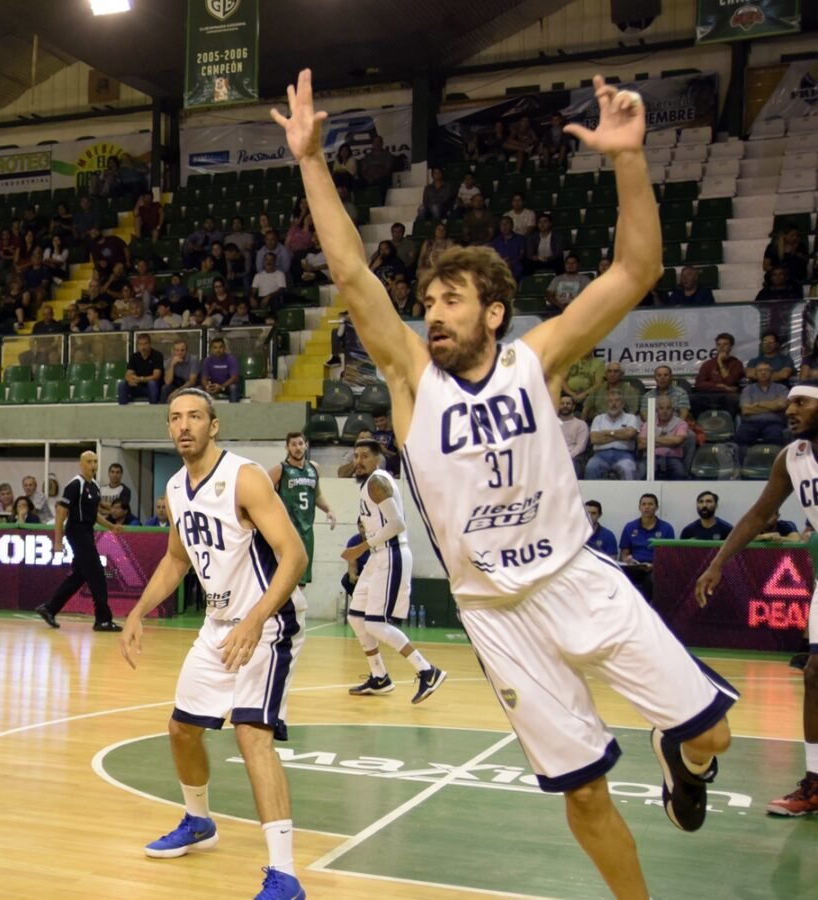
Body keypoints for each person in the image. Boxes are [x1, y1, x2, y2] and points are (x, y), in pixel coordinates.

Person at [278, 70, 735, 897]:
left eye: (452, 301)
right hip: (496, 613)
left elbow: (636, 269)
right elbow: (351, 275)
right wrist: (311, 160)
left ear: (495, 312)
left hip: (577, 578)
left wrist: (629, 159)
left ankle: (681, 753)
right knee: (585, 790)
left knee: (717, 738)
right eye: (427, 301)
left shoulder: (537, 360)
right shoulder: (413, 380)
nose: (433, 313)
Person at [119, 389, 308, 900]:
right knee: (181, 730)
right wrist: (137, 610)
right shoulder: (177, 488)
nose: (185, 426)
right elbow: (176, 560)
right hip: (218, 624)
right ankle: (199, 821)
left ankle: (286, 876)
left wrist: (254, 620)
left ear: (214, 425)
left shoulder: (243, 478)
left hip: (268, 623)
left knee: (251, 735)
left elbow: (295, 556)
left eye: (195, 417)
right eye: (176, 418)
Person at [696, 383, 818, 817]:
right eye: (788, 402)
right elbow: (758, 515)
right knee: (813, 676)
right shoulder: (793, 457)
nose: (790, 409)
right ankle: (816, 783)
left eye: (801, 402)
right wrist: (718, 562)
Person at [342, 439, 446, 701]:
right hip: (378, 556)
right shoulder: (369, 484)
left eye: (364, 456)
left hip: (391, 554)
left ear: (377, 459)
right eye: (355, 456)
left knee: (375, 624)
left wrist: (361, 547)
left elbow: (397, 524)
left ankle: (427, 670)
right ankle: (380, 677)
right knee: (356, 618)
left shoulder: (378, 481)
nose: (358, 461)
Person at [34, 451, 123, 632]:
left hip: (87, 532)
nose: (93, 465)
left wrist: (110, 526)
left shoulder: (94, 486)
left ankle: (49, 608)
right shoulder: (75, 485)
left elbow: (93, 514)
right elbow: (60, 513)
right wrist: (57, 542)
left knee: (79, 575)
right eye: (89, 461)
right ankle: (103, 619)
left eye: (95, 461)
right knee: (97, 574)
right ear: (81, 464)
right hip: (77, 532)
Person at [267, 431, 335, 586]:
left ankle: (296, 610)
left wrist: (329, 509)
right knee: (284, 575)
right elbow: (263, 494)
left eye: (300, 444)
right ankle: (283, 609)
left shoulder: (314, 468)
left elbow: (317, 495)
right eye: (293, 444)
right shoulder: (280, 469)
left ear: (306, 445)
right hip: (287, 529)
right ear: (287, 448)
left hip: (306, 529)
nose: (297, 448)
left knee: (301, 578)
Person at [620, 493, 673, 599]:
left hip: (655, 569)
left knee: (651, 580)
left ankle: (647, 611)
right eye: (643, 504)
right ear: (639, 507)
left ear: (656, 507)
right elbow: (624, 553)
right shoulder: (630, 527)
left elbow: (669, 556)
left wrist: (654, 566)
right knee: (619, 576)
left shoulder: (666, 528)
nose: (647, 507)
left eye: (650, 504)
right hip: (634, 567)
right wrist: (627, 560)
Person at [584, 392, 642, 480]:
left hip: (624, 454)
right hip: (600, 455)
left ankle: (629, 494)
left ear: (622, 403)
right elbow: (594, 439)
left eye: (617, 401)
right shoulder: (598, 419)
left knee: (628, 468)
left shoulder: (631, 418)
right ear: (606, 403)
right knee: (591, 467)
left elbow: (630, 434)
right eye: (610, 401)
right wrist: (621, 434)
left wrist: (607, 433)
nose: (614, 404)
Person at [637, 396, 689, 480]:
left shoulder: (681, 423)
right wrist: (668, 440)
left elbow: (677, 441)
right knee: (640, 472)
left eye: (668, 408)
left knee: (680, 472)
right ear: (656, 410)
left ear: (673, 410)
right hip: (650, 457)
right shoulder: (648, 423)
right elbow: (641, 444)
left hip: (673, 458)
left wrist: (651, 440)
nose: (664, 411)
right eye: (661, 408)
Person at [118, 333, 164, 404]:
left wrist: (140, 379)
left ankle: (153, 408)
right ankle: (122, 409)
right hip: (137, 386)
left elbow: (156, 376)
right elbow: (128, 374)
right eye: (140, 344)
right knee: (122, 384)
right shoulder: (134, 357)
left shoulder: (157, 355)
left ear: (150, 344)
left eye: (145, 344)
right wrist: (131, 380)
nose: (143, 347)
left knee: (152, 384)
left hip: (151, 387)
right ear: (138, 346)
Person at [201, 337, 241, 403]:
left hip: (227, 386)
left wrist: (221, 386)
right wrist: (207, 386)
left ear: (224, 348)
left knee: (233, 387)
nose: (218, 350)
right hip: (214, 386)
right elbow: (204, 378)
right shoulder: (207, 360)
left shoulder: (231, 359)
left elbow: (234, 378)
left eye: (220, 347)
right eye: (215, 348)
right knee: (199, 389)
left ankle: (234, 411)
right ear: (211, 349)